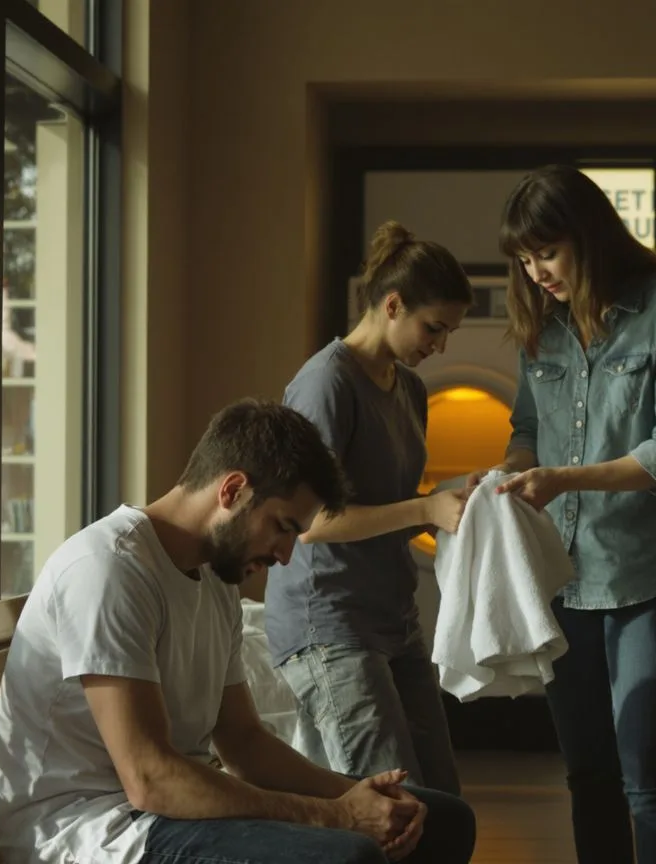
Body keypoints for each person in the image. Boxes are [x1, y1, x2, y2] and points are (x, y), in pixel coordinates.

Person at [0, 398, 477, 864]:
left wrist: (353, 795)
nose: (286, 554)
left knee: (443, 819)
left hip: (161, 814)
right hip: (91, 833)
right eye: (283, 526)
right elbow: (149, 778)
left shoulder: (213, 579)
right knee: (348, 855)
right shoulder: (109, 569)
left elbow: (243, 742)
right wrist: (334, 816)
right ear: (232, 491)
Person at [471, 164, 656, 864]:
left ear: (589, 236)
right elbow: (526, 424)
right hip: (566, 572)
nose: (536, 272)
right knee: (589, 775)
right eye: (523, 260)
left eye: (546, 253)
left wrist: (564, 478)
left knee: (646, 775)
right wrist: (511, 469)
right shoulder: (543, 326)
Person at [266, 221, 477, 796]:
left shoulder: (408, 389)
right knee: (394, 806)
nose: (440, 345)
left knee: (442, 802)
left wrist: (459, 494)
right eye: (434, 328)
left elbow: (392, 496)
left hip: (392, 617)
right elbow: (308, 523)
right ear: (392, 304)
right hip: (329, 625)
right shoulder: (324, 384)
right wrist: (425, 510)